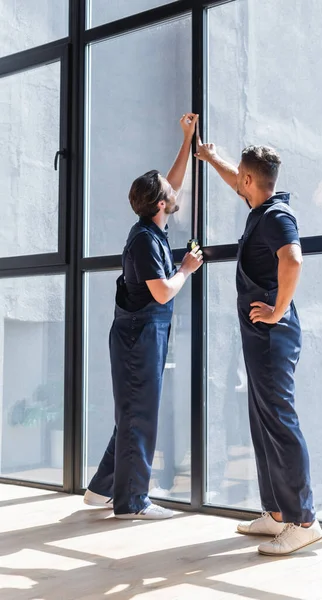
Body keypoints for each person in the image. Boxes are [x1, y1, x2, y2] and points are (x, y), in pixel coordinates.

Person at [195, 140, 322, 555]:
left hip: (272, 336)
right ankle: (277, 513)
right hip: (261, 338)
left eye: (240, 178)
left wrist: (277, 311)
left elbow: (294, 259)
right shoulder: (262, 207)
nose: (237, 183)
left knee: (280, 423)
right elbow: (237, 178)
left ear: (251, 180)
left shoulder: (275, 216)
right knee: (262, 420)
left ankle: (304, 520)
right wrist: (211, 157)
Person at [83, 113, 203, 520]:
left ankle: (102, 488)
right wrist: (186, 267)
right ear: (160, 205)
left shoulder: (151, 227)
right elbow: (163, 290)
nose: (175, 192)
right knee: (140, 414)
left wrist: (186, 140)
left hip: (138, 333)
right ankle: (132, 502)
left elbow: (174, 181)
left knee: (131, 412)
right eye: (169, 193)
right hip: (139, 337)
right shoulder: (146, 242)